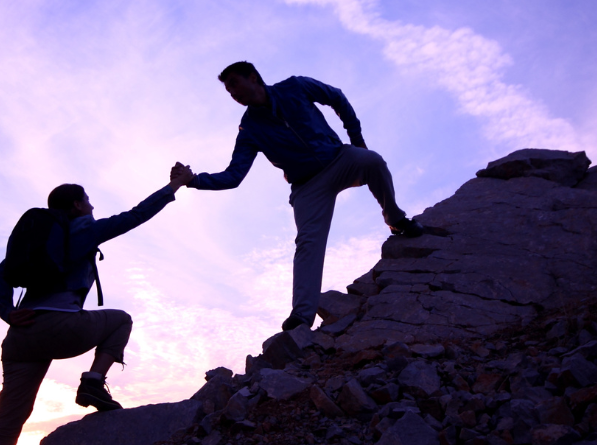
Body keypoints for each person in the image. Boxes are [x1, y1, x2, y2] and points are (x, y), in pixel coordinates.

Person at [172, 61, 423, 332]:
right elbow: (234, 176)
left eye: (234, 83)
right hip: (307, 186)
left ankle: (395, 219)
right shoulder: (249, 130)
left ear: (253, 77)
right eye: (227, 89)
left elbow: (336, 96)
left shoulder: (295, 86)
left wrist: (357, 140)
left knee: (372, 161)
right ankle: (302, 316)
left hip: (339, 159)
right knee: (307, 243)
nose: (231, 92)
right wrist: (194, 181)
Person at [0, 164, 195, 445]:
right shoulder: (84, 233)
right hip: (61, 326)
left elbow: (1, 271)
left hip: (20, 338)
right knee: (120, 320)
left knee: (8, 419)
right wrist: (176, 185)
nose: (92, 206)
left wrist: (7, 312)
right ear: (78, 205)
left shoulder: (37, 243)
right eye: (89, 200)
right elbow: (137, 214)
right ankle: (93, 382)